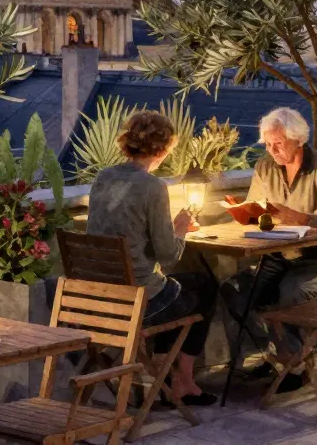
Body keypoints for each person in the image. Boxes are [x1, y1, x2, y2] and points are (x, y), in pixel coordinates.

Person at [86, 110, 219, 407]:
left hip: (99, 299)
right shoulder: (152, 186)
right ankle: (182, 381)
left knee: (185, 287)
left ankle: (169, 373)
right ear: (163, 149)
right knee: (206, 288)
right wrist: (180, 229)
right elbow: (168, 255)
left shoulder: (103, 177)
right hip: (139, 303)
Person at [219, 107, 317, 393]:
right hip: (275, 256)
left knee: (288, 292)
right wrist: (245, 213)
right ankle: (261, 357)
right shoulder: (265, 166)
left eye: (278, 143)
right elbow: (257, 208)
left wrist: (295, 216)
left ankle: (296, 365)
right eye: (268, 143)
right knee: (234, 290)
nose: (271, 150)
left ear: (297, 139)